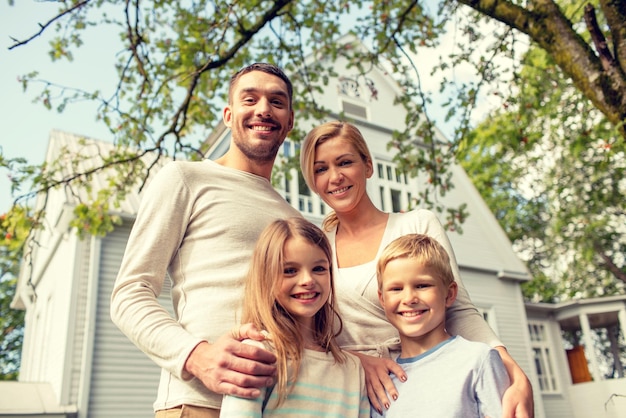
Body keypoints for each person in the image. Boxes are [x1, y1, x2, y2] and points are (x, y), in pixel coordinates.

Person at [299, 120, 534, 417]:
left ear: (368, 166)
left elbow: (459, 310)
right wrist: (358, 361)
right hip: (349, 389)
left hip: (423, 377)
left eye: (345, 162)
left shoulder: (416, 224)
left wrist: (513, 372)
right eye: (321, 169)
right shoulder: (318, 247)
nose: (335, 177)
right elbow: (312, 332)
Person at [110, 63, 303, 418]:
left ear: (289, 121)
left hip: (281, 407)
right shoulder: (186, 178)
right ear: (229, 115)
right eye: (250, 99)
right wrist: (198, 356)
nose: (263, 109)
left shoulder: (296, 220)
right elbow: (129, 294)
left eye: (277, 102)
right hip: (198, 404)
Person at [220, 217, 369, 417]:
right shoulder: (256, 355)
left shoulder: (353, 369)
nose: (307, 280)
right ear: (266, 278)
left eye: (318, 268)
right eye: (290, 271)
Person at [372, 233, 510, 417]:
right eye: (396, 289)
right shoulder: (382, 382)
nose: (409, 299)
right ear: (382, 299)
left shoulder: (479, 360)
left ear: (449, 294)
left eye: (422, 286)